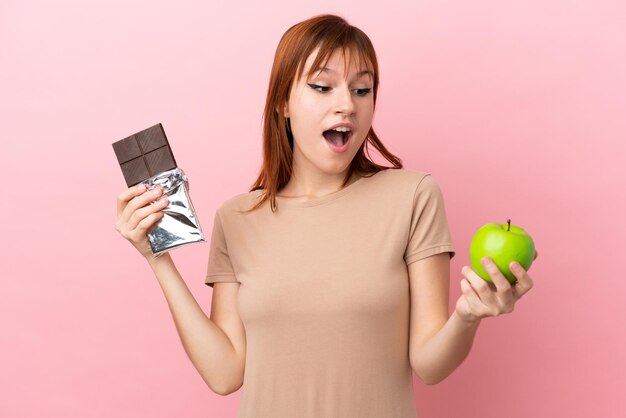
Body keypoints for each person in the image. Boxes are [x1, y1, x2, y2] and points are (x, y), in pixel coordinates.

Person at [115, 13, 537, 418]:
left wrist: (468, 315)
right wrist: (157, 258)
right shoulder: (237, 218)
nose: (346, 106)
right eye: (322, 87)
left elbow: (430, 364)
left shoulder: (412, 197)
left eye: (361, 90)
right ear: (283, 102)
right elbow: (225, 374)